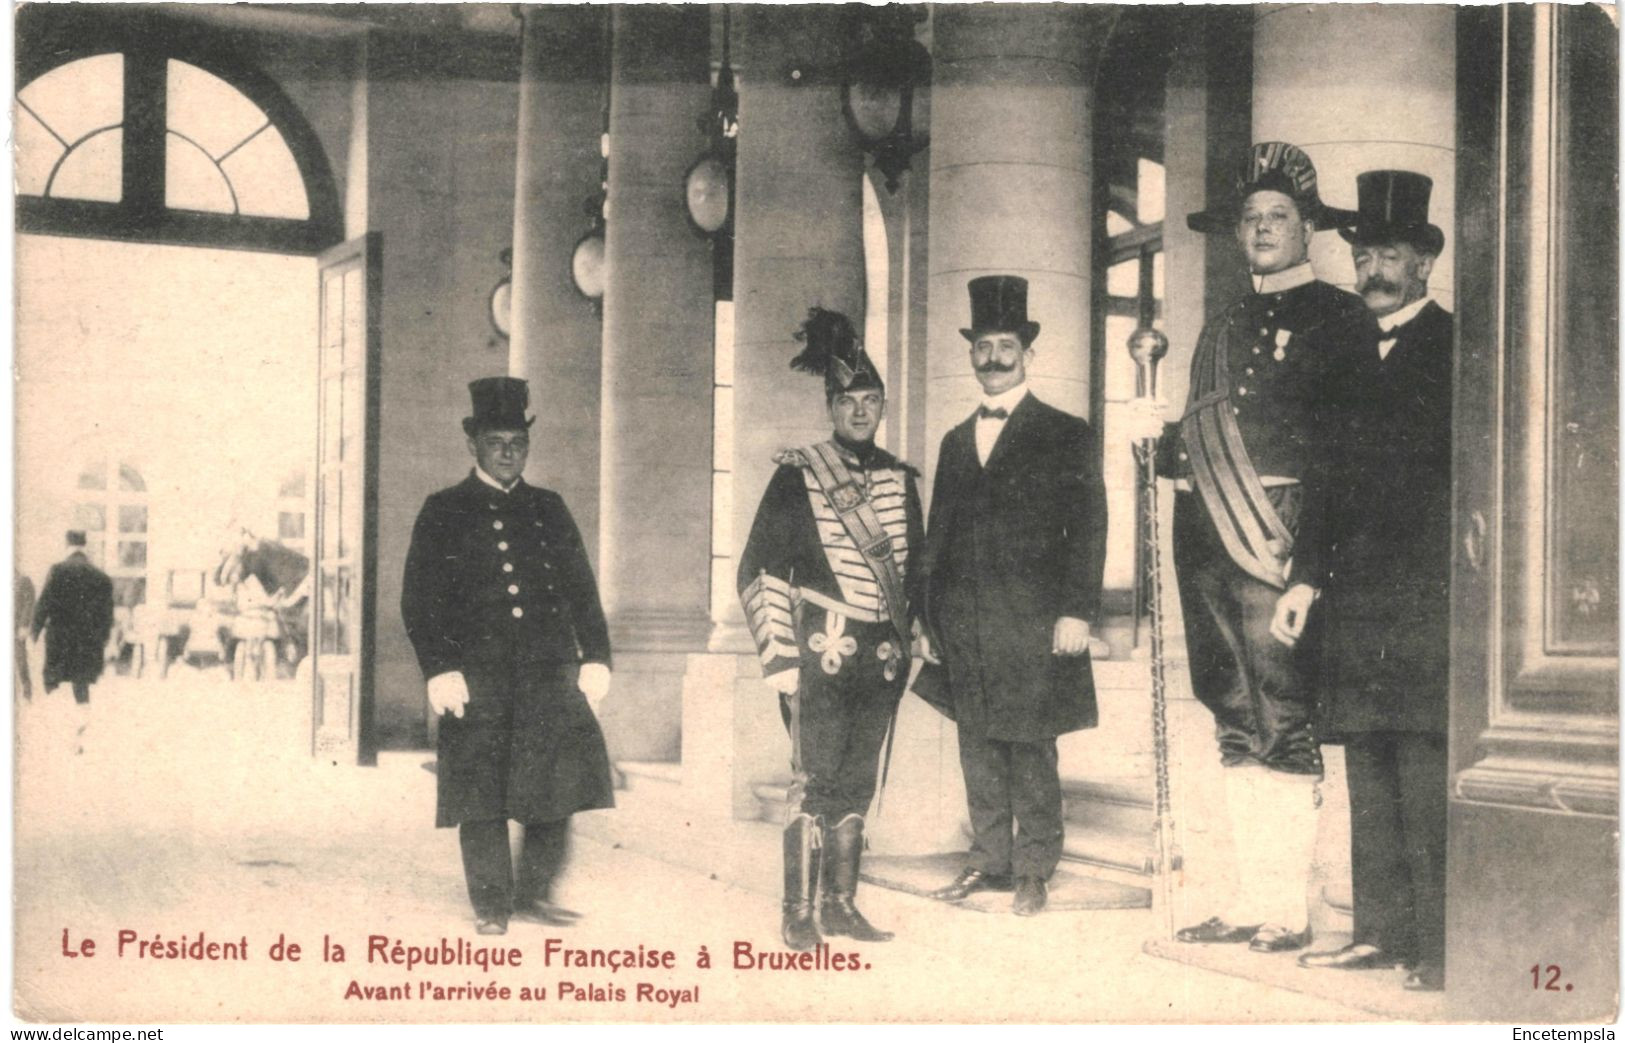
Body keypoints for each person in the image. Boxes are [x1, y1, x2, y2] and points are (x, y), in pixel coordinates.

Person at [1121, 142, 1376, 952]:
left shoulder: (1339, 319)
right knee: (1231, 712)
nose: (1262, 229)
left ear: (1308, 231)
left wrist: (1309, 567)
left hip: (1277, 534)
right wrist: (1150, 444)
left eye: (1278, 218)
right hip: (1205, 539)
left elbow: (1343, 455)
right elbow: (1195, 444)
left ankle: (1289, 907)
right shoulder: (1221, 326)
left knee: (1284, 713)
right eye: (1251, 219)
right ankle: (1246, 896)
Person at [1279, 171, 1452, 992]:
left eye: (1390, 253)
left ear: (1422, 263)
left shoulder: (1459, 348)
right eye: (1363, 254)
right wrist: (1304, 578)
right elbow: (1320, 476)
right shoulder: (1342, 352)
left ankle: (1437, 944)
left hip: (1425, 597)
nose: (1373, 269)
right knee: (1367, 768)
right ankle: (1379, 934)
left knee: (1421, 767)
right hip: (1351, 598)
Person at [920, 275, 1107, 917]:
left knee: (1030, 745)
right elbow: (935, 535)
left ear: (1029, 353)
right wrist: (927, 619)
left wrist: (1078, 609)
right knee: (978, 743)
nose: (993, 357)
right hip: (964, 621)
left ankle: (1034, 869)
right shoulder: (953, 441)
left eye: (1005, 345)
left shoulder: (1066, 432)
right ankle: (990, 861)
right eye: (983, 346)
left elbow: (1088, 525)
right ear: (971, 354)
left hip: (1033, 621)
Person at [738, 308, 924, 951]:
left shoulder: (903, 479)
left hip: (883, 655)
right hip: (820, 649)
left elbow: (915, 570)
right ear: (831, 406)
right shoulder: (798, 474)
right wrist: (780, 656)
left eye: (872, 400)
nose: (862, 411)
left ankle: (840, 903)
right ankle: (797, 910)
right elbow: (758, 570)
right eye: (849, 400)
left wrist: (916, 635)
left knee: (857, 779)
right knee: (812, 779)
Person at [401, 377, 614, 936]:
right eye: (496, 440)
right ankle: (493, 903)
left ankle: (535, 893)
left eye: (517, 441)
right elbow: (419, 600)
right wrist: (440, 669)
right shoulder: (444, 509)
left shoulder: (550, 508)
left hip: (548, 672)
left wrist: (596, 656)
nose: (508, 451)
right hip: (478, 677)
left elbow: (581, 589)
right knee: (482, 792)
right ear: (473, 443)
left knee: (558, 784)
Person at [32, 531, 115, 752]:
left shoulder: (58, 571)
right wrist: (103, 641)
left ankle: (58, 735)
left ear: (67, 544)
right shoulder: (101, 576)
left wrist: (34, 633)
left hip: (60, 640)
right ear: (84, 546)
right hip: (89, 643)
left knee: (53, 682)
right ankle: (79, 734)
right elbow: (107, 616)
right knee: (81, 686)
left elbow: (44, 604)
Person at [15, 572, 36, 701]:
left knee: (20, 660)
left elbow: (29, 603)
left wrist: (23, 624)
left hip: (15, 629)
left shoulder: (23, 580)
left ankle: (26, 689)